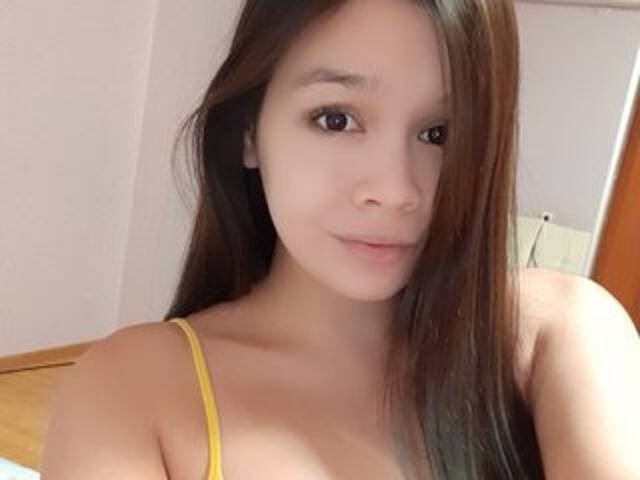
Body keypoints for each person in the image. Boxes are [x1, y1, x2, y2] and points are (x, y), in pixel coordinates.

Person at [40, 0, 640, 479]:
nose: (396, 190)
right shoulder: (133, 392)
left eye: (440, 133)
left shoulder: (552, 334)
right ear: (249, 130)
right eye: (336, 119)